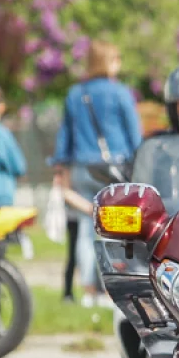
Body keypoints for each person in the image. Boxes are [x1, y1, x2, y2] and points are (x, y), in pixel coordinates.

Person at [52, 39, 143, 307]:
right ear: (109, 62)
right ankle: (108, 288)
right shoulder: (120, 93)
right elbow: (135, 136)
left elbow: (65, 137)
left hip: (82, 168)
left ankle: (88, 291)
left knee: (84, 228)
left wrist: (60, 167)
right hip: (113, 170)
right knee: (113, 230)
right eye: (116, 59)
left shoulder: (75, 94)